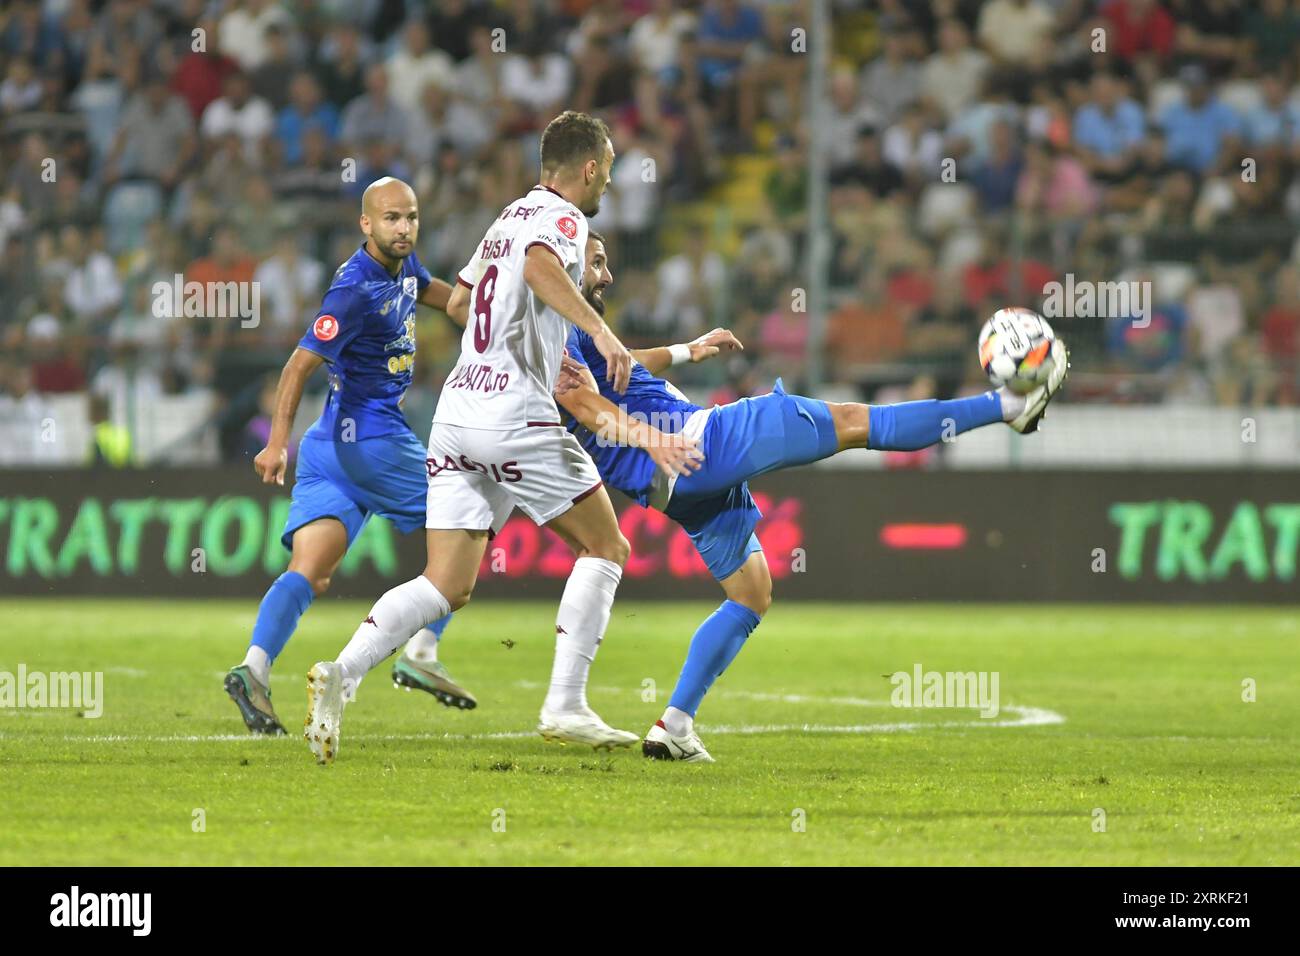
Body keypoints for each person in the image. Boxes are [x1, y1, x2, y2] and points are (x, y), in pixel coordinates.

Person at [408, 232, 1070, 762]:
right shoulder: (549, 337)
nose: (606, 274)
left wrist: (691, 349)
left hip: (678, 490)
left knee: (751, 592)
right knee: (849, 421)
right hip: (697, 444)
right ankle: (1002, 405)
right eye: (597, 263)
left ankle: (674, 722)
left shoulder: (568, 333)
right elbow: (583, 399)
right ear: (568, 271)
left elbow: (623, 367)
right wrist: (652, 438)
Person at [303, 112, 701, 765]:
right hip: (515, 412)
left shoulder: (506, 216)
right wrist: (597, 332)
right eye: (607, 173)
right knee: (605, 545)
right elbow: (543, 266)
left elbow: (460, 305)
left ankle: (341, 675)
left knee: (446, 584)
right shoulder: (563, 221)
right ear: (592, 167)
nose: (605, 190)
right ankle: (565, 705)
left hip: (457, 412)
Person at [223, 176, 470, 735]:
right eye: (391, 219)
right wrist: (274, 442)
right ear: (366, 224)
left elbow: (436, 293)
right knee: (466, 524)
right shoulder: (353, 290)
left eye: (410, 217)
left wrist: (483, 308)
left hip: (329, 446)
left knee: (311, 571)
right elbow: (297, 365)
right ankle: (421, 652)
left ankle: (254, 670)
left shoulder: (402, 266)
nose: (403, 228)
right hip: (373, 442)